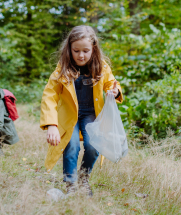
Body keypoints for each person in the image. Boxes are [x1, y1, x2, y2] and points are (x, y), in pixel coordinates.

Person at [40, 25, 122, 196]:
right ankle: (71, 184)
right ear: (69, 48)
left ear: (94, 48)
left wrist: (115, 91)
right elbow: (50, 95)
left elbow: (111, 83)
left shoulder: (102, 67)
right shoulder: (62, 68)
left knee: (94, 146)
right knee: (72, 146)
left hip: (92, 115)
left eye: (85, 50)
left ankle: (84, 177)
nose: (81, 55)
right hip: (70, 116)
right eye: (76, 50)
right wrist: (52, 125)